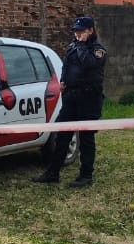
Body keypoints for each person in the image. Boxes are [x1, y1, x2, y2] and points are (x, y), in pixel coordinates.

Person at [33, 15, 107, 188]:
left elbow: (88, 63)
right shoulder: (73, 46)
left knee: (86, 138)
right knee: (62, 134)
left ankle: (86, 176)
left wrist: (81, 44)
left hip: (89, 98)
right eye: (76, 31)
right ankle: (53, 172)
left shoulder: (98, 50)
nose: (77, 34)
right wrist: (63, 81)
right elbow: (67, 65)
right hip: (71, 97)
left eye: (81, 31)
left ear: (91, 31)